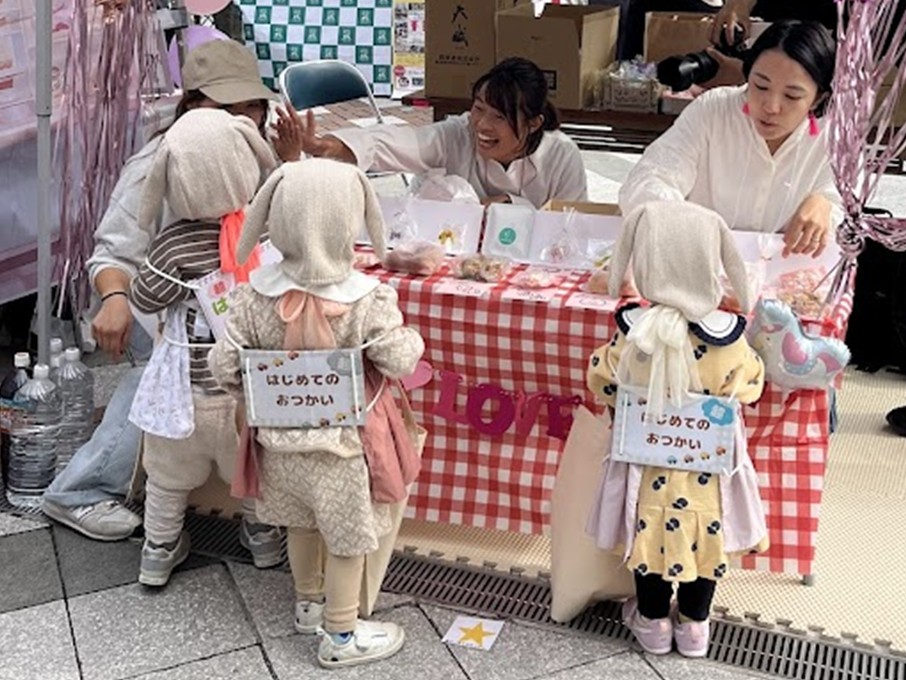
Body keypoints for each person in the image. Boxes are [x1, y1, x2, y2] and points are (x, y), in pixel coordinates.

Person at [41, 39, 301, 561]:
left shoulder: (257, 148)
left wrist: (291, 161)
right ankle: (80, 490)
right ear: (193, 105)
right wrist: (114, 299)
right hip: (169, 303)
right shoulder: (162, 159)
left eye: (251, 105)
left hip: (238, 307)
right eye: (228, 108)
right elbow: (113, 251)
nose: (243, 117)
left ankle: (259, 502)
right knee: (162, 380)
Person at [208, 159, 424, 668]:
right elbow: (398, 359)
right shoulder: (366, 300)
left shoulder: (252, 296)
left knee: (301, 523)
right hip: (345, 450)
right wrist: (408, 340)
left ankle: (308, 602)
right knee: (349, 536)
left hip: (278, 445)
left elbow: (225, 366)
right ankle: (342, 633)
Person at [585, 200, 768, 657]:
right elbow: (751, 385)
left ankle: (651, 624)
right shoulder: (729, 338)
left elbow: (603, 381)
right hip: (707, 472)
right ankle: (694, 629)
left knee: (649, 537)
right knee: (707, 540)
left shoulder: (634, 333)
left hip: (648, 467)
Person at [125, 108, 280, 586]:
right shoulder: (264, 228)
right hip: (243, 393)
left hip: (183, 395)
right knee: (255, 471)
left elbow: (144, 296)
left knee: (167, 479)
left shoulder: (173, 245)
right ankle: (263, 539)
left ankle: (159, 548)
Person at [619, 20, 843, 259]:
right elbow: (650, 178)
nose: (771, 106)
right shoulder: (714, 111)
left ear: (818, 98)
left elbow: (842, 201)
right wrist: (676, 221)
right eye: (760, 86)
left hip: (786, 274)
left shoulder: (835, 134)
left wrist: (826, 204)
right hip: (701, 263)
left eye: (791, 96)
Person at [277, 57, 588, 208]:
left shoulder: (561, 155)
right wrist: (323, 146)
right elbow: (390, 141)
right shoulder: (457, 134)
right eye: (478, 108)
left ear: (533, 122)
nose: (481, 125)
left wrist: (512, 207)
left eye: (499, 117)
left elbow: (576, 223)